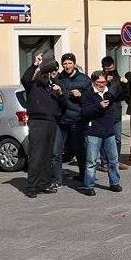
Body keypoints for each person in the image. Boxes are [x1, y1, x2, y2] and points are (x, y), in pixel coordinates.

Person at [20, 54, 66, 198]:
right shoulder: (33, 83)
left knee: (47, 155)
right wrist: (35, 64)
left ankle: (44, 183)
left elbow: (64, 105)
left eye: (54, 70)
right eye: (49, 70)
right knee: (36, 154)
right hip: (37, 121)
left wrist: (60, 93)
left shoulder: (55, 85)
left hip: (51, 121)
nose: (51, 73)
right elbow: (25, 79)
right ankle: (32, 186)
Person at [52, 53, 91, 188]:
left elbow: (91, 97)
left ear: (74, 63)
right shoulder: (58, 78)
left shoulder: (84, 79)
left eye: (69, 63)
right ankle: (57, 179)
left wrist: (81, 95)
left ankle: (84, 175)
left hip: (77, 119)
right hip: (61, 119)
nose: (67, 66)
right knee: (56, 151)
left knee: (80, 149)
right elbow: (54, 98)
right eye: (65, 64)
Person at [81, 71, 122, 197]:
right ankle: (89, 186)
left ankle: (114, 182)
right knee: (91, 161)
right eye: (99, 82)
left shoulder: (109, 93)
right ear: (93, 82)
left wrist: (124, 84)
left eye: (104, 82)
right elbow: (84, 112)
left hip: (109, 131)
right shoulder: (88, 94)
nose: (102, 85)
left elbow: (122, 95)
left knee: (113, 160)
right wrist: (98, 106)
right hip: (94, 131)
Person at [98, 56, 129, 171]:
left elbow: (124, 95)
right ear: (103, 67)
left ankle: (116, 161)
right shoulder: (99, 77)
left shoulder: (117, 76)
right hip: (104, 112)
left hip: (116, 111)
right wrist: (106, 82)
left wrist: (125, 84)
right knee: (104, 137)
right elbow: (98, 92)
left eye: (111, 68)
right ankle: (105, 162)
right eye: (107, 69)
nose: (110, 71)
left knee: (117, 138)